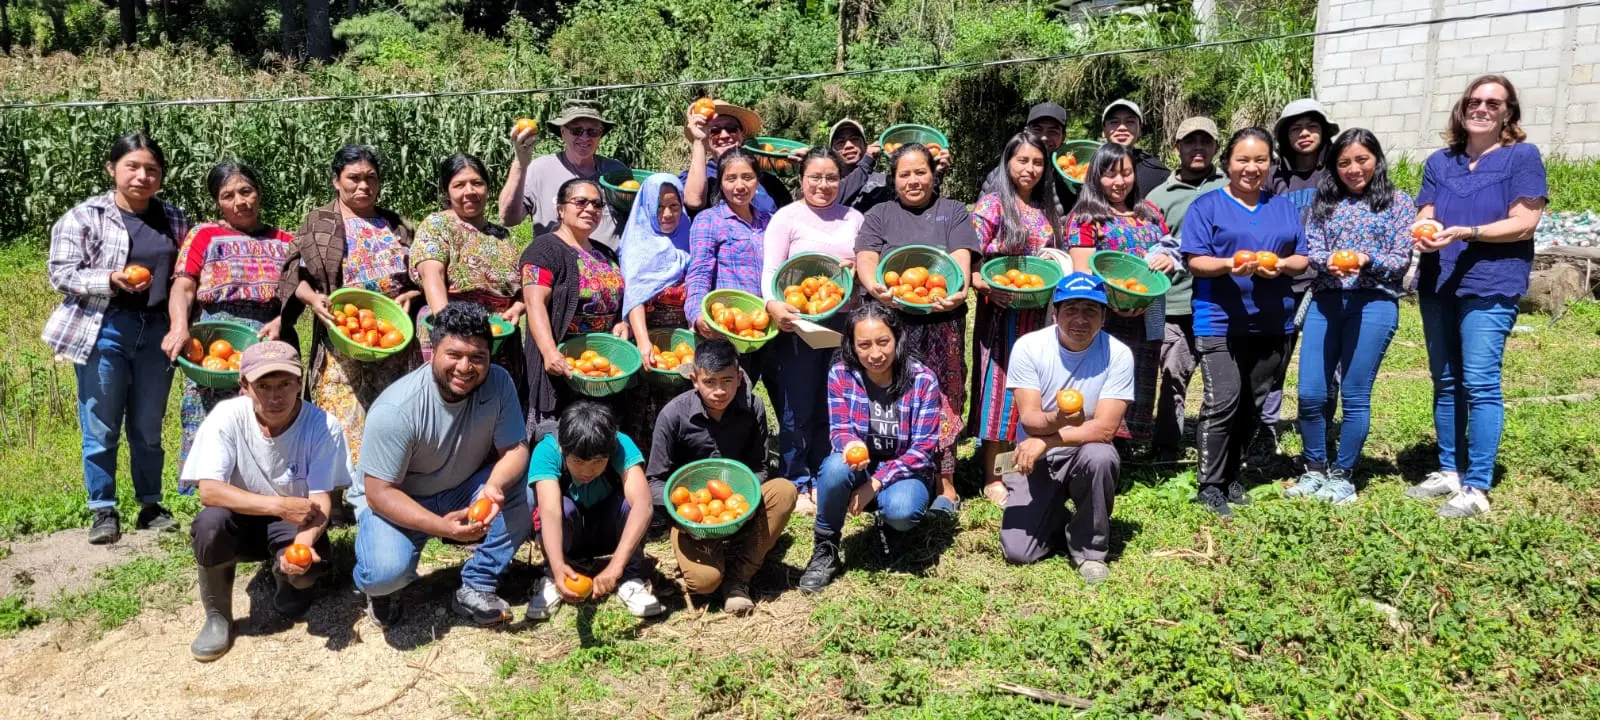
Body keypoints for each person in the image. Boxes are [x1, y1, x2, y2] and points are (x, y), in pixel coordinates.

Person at [1405, 74, 1547, 518]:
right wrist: (1425, 233)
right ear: (1462, 107)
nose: (1481, 108)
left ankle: (1477, 485)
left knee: (1481, 382)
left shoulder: (1521, 157)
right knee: (1445, 380)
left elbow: (1525, 221)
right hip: (1439, 281)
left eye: (1493, 102)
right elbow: (1426, 212)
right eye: (1474, 100)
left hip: (1491, 283)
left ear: (1508, 112)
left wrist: (1470, 232)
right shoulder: (1439, 162)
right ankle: (1449, 469)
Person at [45, 130, 189, 545]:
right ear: (112, 169)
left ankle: (150, 504)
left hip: (157, 332)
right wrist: (109, 278)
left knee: (147, 425)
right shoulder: (84, 216)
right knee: (102, 423)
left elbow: (188, 272)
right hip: (105, 327)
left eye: (152, 169)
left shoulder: (175, 218)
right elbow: (61, 273)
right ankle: (103, 508)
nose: (143, 176)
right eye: (133, 167)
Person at [350, 302, 532, 628]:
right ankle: (380, 592)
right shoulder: (397, 408)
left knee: (523, 487)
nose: (465, 367)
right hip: (399, 498)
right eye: (454, 355)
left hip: (460, 488)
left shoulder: (499, 384)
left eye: (478, 357)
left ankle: (477, 584)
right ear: (432, 350)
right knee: (383, 573)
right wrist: (442, 528)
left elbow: (515, 449)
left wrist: (493, 486)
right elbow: (379, 493)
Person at [182, 341, 350, 661]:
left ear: (299, 383)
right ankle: (218, 616)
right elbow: (210, 491)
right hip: (241, 517)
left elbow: (320, 500)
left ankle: (286, 580)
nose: (275, 397)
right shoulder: (227, 417)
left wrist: (300, 551)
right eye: (264, 386)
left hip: (294, 521)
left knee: (304, 573)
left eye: (285, 384)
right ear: (244, 387)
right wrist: (277, 505)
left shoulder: (322, 426)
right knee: (209, 524)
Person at [1180, 128, 1310, 517]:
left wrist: (1283, 265)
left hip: (1273, 322)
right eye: (1243, 160)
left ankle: (1232, 476)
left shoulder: (1283, 206)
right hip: (1218, 319)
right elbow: (1195, 260)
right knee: (1223, 401)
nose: (1252, 168)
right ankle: (1210, 485)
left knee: (1253, 405)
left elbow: (1301, 257)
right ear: (1227, 164)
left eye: (1260, 160)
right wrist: (1229, 263)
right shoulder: (1208, 207)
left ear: (1270, 164)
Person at [1286, 129, 1415, 505]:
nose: (1354, 169)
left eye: (1362, 160)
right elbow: (1311, 248)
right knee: (1311, 392)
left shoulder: (1398, 203)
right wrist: (1327, 260)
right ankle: (1314, 469)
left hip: (1373, 303)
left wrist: (1365, 258)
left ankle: (1343, 475)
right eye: (1344, 162)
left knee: (1355, 393)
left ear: (1376, 160)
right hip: (1326, 301)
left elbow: (1400, 259)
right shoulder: (1325, 203)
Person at [277, 145, 420, 476]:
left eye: (371, 178)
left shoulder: (397, 225)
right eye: (353, 178)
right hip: (340, 338)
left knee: (391, 417)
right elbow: (291, 272)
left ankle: (386, 491)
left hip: (391, 340)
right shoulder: (320, 222)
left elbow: (422, 275)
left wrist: (412, 294)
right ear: (336, 181)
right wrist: (313, 299)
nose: (363, 186)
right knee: (340, 418)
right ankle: (339, 499)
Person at [856, 143, 975, 511]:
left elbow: (960, 263)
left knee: (944, 396)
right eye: (904, 174)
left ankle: (945, 480)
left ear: (933, 174)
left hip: (942, 320)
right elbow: (867, 259)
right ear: (893, 179)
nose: (913, 180)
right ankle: (887, 472)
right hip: (894, 323)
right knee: (892, 395)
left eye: (920, 172)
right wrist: (875, 286)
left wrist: (958, 289)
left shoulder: (952, 211)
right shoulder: (879, 214)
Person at [798, 304, 944, 593]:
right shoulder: (841, 374)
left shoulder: (923, 380)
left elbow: (923, 449)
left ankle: (890, 523)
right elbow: (839, 430)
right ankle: (825, 546)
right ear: (852, 346)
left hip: (906, 471)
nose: (875, 354)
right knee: (835, 468)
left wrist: (877, 482)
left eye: (883, 342)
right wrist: (850, 444)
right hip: (859, 467)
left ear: (898, 339)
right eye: (863, 345)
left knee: (902, 511)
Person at [647, 339, 797, 614]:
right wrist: (683, 509)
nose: (719, 391)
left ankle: (739, 578)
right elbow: (654, 482)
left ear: (740, 377)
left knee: (784, 490)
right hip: (694, 517)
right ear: (694, 379)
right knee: (705, 584)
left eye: (727, 381)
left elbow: (760, 466)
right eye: (710, 382)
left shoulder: (752, 408)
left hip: (737, 504)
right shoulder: (674, 416)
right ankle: (707, 558)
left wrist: (746, 501)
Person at [1000, 273, 1132, 583]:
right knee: (1019, 552)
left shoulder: (1118, 354)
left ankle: (1090, 550)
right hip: (1034, 458)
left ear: (1104, 317)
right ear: (1055, 313)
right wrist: (1058, 419)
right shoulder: (1030, 347)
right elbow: (1031, 419)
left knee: (1101, 456)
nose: (1080, 319)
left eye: (1091, 310)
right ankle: (1056, 512)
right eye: (1071, 309)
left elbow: (1104, 430)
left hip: (1078, 451)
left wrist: (1046, 442)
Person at [162, 163, 294, 467]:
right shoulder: (204, 235)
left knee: (269, 417)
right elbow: (183, 286)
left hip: (268, 341)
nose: (240, 202)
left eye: (246, 191)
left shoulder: (285, 242)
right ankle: (214, 496)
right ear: (217, 202)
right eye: (228, 195)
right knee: (213, 420)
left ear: (259, 193)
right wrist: (180, 328)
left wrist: (282, 322)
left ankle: (268, 494)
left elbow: (297, 295)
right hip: (213, 343)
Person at [760, 148, 865, 509]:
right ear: (801, 179)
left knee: (833, 400)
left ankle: (826, 474)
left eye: (831, 178)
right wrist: (774, 306)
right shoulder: (786, 218)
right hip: (799, 324)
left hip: (843, 320)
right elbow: (771, 272)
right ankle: (795, 478)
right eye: (815, 177)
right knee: (796, 404)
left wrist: (856, 272)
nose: (823, 185)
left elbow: (866, 269)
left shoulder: (853, 218)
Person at [970, 132, 1063, 505]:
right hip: (1002, 315)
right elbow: (969, 260)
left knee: (1029, 389)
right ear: (1008, 163)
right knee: (1000, 389)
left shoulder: (1045, 210)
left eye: (1037, 162)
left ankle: (1017, 465)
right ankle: (993, 475)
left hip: (1038, 314)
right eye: (1022, 161)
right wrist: (985, 285)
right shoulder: (992, 205)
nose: (1030, 169)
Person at [1063, 142, 1169, 447]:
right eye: (1110, 174)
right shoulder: (1085, 217)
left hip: (1147, 311)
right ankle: (1098, 445)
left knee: (1141, 373)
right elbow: (1082, 273)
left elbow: (1169, 247)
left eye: (1126, 173)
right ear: (1096, 177)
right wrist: (1114, 302)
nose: (1120, 181)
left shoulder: (1149, 212)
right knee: (1103, 378)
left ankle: (1130, 444)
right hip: (1106, 316)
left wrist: (1168, 259)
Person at [525, 400, 664, 620]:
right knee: (557, 506)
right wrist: (557, 565)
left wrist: (616, 567)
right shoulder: (547, 451)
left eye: (598, 461)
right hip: (569, 531)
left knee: (631, 504)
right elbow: (550, 512)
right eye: (578, 461)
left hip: (607, 528)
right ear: (563, 448)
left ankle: (630, 577)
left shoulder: (621, 445)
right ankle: (553, 576)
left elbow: (643, 505)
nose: (587, 471)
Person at [1257, 98, 1341, 455]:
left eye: (1311, 126)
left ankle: (1321, 431)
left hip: (1326, 281)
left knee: (1326, 363)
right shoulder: (1274, 177)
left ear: (1323, 132)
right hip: (1280, 282)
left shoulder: (1338, 172)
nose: (1304, 134)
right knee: (1273, 360)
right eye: (1295, 128)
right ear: (1284, 136)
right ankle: (1264, 432)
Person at [411, 153, 527, 406]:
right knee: (448, 409)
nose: (470, 191)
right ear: (446, 191)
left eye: (477, 183)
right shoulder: (437, 225)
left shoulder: (502, 235)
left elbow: (521, 289)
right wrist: (452, 330)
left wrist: (517, 309)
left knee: (494, 414)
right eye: (459, 185)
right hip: (453, 334)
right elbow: (432, 275)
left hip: (500, 339)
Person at [519, 178, 634, 429]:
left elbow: (621, 298)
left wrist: (622, 323)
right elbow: (533, 301)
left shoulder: (606, 253)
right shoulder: (543, 250)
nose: (590, 209)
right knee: (560, 436)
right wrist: (550, 351)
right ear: (560, 209)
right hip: (563, 368)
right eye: (580, 202)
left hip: (600, 368)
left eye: (597, 204)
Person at [1146, 117, 1226, 460]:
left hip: (1223, 301)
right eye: (1190, 142)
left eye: (1205, 142)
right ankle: (1165, 447)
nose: (1198, 148)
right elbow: (1149, 247)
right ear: (1176, 148)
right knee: (1173, 376)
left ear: (1215, 148)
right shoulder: (1158, 196)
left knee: (1221, 380)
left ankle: (1219, 448)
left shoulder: (1230, 185)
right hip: (1176, 302)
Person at [498, 98, 629, 247]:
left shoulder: (616, 172)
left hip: (609, 267)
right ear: (563, 131)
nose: (585, 137)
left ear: (601, 134)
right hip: (557, 266)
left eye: (593, 131)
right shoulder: (540, 170)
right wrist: (520, 164)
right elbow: (507, 219)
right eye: (576, 130)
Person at [684, 148, 772, 362]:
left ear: (757, 181)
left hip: (768, 326)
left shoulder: (769, 221)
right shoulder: (709, 220)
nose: (740, 186)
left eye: (747, 177)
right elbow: (699, 271)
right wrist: (696, 314)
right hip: (728, 327)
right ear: (721, 183)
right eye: (731, 178)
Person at [620, 174, 693, 359]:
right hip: (649, 342)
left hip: (685, 343)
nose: (667, 214)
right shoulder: (637, 244)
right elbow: (635, 295)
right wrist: (643, 342)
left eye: (674, 206)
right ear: (647, 206)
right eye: (658, 207)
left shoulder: (690, 235)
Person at [681, 99, 792, 216]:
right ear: (707, 141)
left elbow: (792, 218)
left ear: (741, 135)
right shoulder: (694, 179)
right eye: (714, 131)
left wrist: (806, 168)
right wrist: (699, 141)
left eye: (731, 128)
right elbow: (694, 201)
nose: (724, 135)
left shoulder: (768, 181)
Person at [829, 119, 952, 212]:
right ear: (832, 151)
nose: (849, 145)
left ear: (866, 145)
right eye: (840, 142)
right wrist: (866, 163)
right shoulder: (826, 183)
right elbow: (834, 199)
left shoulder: (883, 182)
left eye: (855, 139)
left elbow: (919, 205)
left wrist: (936, 174)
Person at [981, 102, 1077, 212]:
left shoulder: (1071, 176)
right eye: (1037, 130)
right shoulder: (1002, 175)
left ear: (1063, 137)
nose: (1044, 137)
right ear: (1026, 132)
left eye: (1053, 131)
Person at [1099, 99, 1171, 202]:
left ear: (1140, 129)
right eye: (1114, 122)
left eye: (1130, 122)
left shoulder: (1157, 172)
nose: (1122, 127)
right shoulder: (1089, 168)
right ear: (1104, 129)